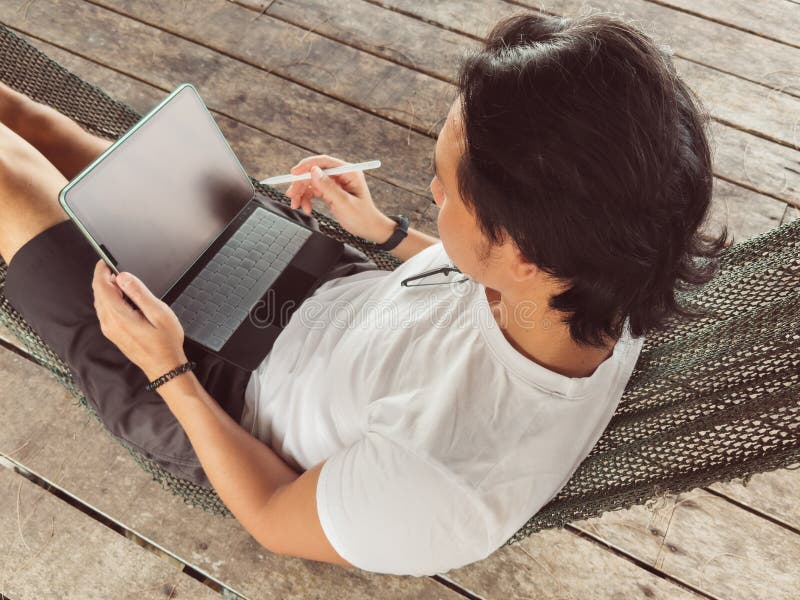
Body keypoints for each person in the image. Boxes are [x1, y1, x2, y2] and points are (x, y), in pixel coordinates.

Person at [0, 11, 727, 577]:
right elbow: (475, 289)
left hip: (214, 387)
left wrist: (168, 371)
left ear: (522, 253)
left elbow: (272, 516)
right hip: (309, 277)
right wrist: (383, 231)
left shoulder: (444, 482)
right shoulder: (609, 272)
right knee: (36, 128)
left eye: (447, 190)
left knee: (13, 174)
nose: (433, 190)